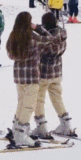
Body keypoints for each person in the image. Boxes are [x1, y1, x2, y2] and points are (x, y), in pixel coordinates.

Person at [5, 11, 66, 147]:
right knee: (28, 106)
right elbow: (50, 39)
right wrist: (38, 28)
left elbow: (10, 54)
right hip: (32, 76)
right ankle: (21, 135)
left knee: (21, 103)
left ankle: (16, 130)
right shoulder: (33, 36)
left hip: (18, 76)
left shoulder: (13, 36)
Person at [32, 12, 74, 140]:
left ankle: (41, 127)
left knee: (38, 99)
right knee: (57, 98)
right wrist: (38, 28)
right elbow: (50, 35)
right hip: (56, 73)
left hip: (44, 74)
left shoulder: (47, 40)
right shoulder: (61, 35)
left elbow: (42, 48)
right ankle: (66, 124)